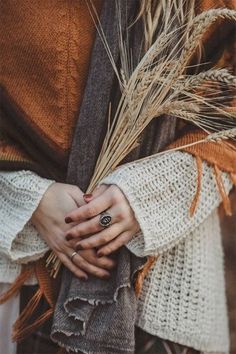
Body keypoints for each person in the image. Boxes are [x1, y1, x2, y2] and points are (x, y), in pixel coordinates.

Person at [0, 0, 235, 353]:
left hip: (167, 288)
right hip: (23, 278)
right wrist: (27, 197)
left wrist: (147, 195)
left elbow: (228, 117)